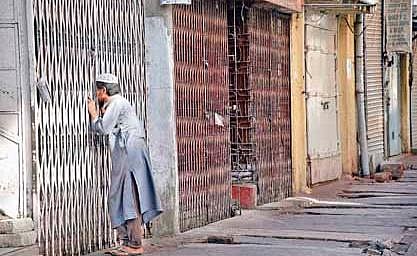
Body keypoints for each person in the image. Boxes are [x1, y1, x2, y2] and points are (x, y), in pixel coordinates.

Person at [87, 73, 162, 256]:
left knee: (127, 197)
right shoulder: (120, 103)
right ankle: (128, 241)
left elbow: (103, 129)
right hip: (131, 150)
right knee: (124, 195)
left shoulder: (117, 103)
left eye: (97, 91)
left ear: (103, 90)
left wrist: (94, 114)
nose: (96, 95)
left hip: (129, 151)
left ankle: (134, 244)